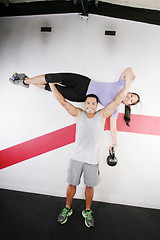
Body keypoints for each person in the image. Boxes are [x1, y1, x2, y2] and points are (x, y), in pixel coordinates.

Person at [43, 80, 130, 228]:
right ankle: (67, 208)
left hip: (91, 160)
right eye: (88, 103)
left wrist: (127, 87)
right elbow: (63, 102)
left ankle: (87, 210)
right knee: (72, 184)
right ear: (85, 104)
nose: (90, 106)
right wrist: (51, 85)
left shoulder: (102, 115)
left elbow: (116, 101)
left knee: (90, 186)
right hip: (76, 158)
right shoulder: (78, 113)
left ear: (97, 106)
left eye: (93, 104)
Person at [9, 68, 140, 152]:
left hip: (81, 96)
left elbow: (113, 128)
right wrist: (127, 87)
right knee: (52, 77)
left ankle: (23, 80)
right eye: (131, 95)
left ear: (129, 105)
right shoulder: (121, 84)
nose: (129, 97)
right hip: (84, 82)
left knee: (52, 88)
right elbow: (129, 70)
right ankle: (25, 80)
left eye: (131, 101)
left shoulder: (115, 108)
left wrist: (115, 145)